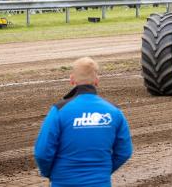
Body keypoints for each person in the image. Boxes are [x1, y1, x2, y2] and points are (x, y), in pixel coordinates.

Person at [34, 57, 133, 187]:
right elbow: (124, 152)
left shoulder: (59, 110)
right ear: (97, 80)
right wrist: (102, 172)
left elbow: (42, 152)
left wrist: (50, 173)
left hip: (63, 182)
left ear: (72, 79)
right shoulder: (114, 111)